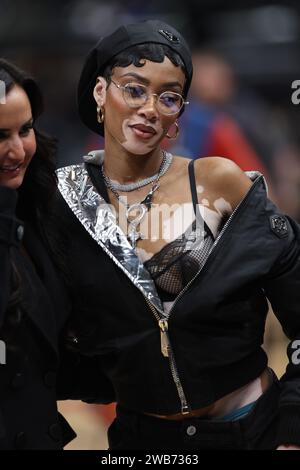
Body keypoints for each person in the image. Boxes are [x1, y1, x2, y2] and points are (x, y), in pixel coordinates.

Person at [54, 20, 300, 450]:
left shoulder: (217, 181)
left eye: (169, 97)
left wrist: (294, 429)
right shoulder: (66, 199)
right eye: (134, 89)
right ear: (99, 92)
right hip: (144, 440)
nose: (151, 107)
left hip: (252, 428)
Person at [0, 59, 113, 450]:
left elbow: (43, 356)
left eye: (25, 130)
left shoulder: (36, 208)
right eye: (0, 136)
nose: (17, 150)